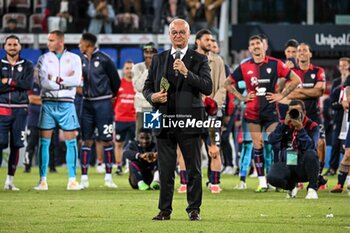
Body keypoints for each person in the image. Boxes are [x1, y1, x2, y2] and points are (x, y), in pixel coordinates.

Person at [143, 19, 212, 221]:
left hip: (189, 121)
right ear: (169, 35)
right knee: (165, 169)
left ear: (188, 35)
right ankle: (165, 210)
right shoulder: (158, 59)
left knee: (193, 169)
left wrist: (186, 72)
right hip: (163, 120)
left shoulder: (199, 59)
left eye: (182, 32)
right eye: (174, 32)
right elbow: (147, 87)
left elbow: (207, 87)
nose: (178, 36)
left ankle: (194, 209)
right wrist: (152, 97)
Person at [224, 35, 301, 192]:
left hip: (270, 111)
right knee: (257, 145)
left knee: (276, 143)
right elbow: (227, 83)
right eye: (252, 44)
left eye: (258, 43)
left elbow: (296, 79)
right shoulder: (245, 67)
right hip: (252, 113)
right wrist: (242, 97)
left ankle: (278, 178)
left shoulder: (275, 63)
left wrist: (281, 95)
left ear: (263, 46)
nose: (255, 46)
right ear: (250, 48)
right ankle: (262, 182)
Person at [35, 30, 82, 191]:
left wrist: (55, 79)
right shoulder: (43, 58)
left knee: (71, 142)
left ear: (60, 41)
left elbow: (76, 80)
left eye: (51, 40)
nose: (48, 43)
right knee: (44, 142)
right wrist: (64, 82)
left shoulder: (74, 58)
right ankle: (42, 180)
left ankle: (72, 180)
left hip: (67, 103)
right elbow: (43, 83)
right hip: (48, 103)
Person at [78, 32, 120, 188]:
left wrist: (110, 96)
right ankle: (83, 179)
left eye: (81, 42)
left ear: (88, 44)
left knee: (107, 139)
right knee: (86, 140)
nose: (79, 45)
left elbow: (116, 81)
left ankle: (108, 178)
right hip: (86, 104)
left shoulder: (104, 59)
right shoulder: (80, 60)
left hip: (103, 104)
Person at [287, 43, 327, 184]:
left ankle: (317, 174)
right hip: (295, 115)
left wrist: (299, 91)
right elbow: (288, 93)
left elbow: (319, 91)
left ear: (310, 54)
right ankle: (294, 178)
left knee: (320, 144)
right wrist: (309, 92)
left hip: (314, 115)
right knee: (292, 146)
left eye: (305, 50)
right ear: (296, 55)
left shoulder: (318, 71)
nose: (302, 52)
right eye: (299, 51)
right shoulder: (291, 72)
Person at [267, 100, 321, 199]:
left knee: (311, 154)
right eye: (292, 111)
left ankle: (312, 189)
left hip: (305, 166)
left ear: (304, 112)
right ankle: (291, 187)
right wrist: (284, 126)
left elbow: (311, 147)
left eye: (297, 111)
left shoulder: (312, 126)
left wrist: (301, 129)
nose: (295, 114)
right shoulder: (284, 125)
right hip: (289, 163)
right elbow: (271, 140)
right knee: (272, 177)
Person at [0, 35, 34, 191]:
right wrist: (16, 85)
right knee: (0, 144)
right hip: (2, 109)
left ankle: (9, 181)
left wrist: (8, 82)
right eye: (9, 44)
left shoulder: (27, 65)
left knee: (16, 145)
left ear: (20, 47)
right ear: (4, 47)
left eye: (15, 44)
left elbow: (28, 85)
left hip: (20, 110)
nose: (12, 47)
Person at [194, 29, 226, 193]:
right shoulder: (188, 59)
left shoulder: (218, 61)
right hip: (193, 111)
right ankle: (188, 183)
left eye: (212, 39)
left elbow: (223, 86)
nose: (210, 42)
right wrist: (198, 101)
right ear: (198, 41)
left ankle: (215, 183)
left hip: (212, 112)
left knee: (214, 148)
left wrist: (214, 103)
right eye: (207, 39)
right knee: (191, 149)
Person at [325, 57, 350, 176]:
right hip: (339, 117)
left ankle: (345, 171)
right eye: (341, 65)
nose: (343, 68)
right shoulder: (336, 82)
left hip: (348, 117)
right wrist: (341, 104)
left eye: (345, 65)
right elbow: (331, 102)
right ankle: (332, 168)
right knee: (335, 143)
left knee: (346, 146)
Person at [114, 60, 135, 175]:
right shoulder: (119, 84)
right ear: (123, 70)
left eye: (131, 68)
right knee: (119, 143)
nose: (129, 70)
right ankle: (118, 166)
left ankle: (133, 166)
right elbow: (114, 101)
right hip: (120, 119)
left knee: (135, 143)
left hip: (134, 119)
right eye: (127, 68)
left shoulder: (137, 84)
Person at [132, 42, 158, 138]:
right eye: (146, 52)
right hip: (141, 108)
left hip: (154, 107)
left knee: (154, 137)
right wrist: (148, 69)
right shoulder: (137, 67)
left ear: (155, 54)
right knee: (141, 137)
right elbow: (139, 87)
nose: (148, 55)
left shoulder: (161, 67)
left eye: (151, 53)